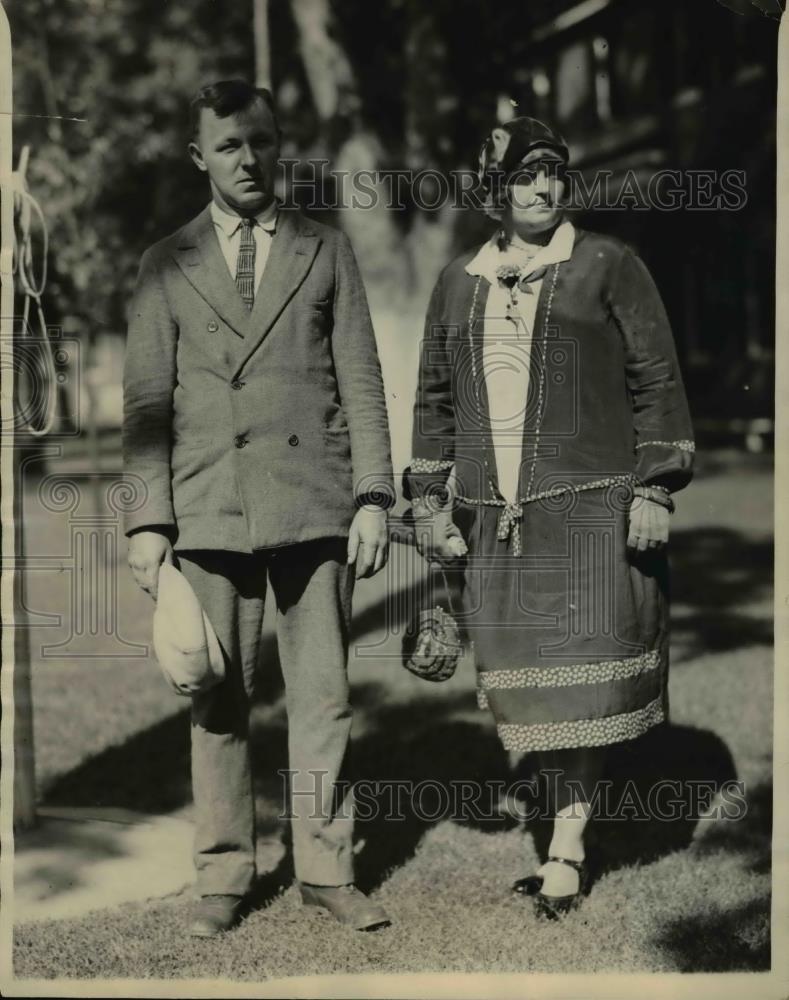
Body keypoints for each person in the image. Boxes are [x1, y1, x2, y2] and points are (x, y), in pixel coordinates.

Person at [123, 79, 395, 936]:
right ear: (199, 156)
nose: (250, 159)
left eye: (262, 141)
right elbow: (144, 407)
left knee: (322, 698)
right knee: (218, 698)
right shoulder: (165, 263)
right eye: (230, 145)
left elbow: (361, 381)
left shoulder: (324, 248)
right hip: (210, 511)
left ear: (281, 146)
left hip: (314, 505)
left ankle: (324, 869)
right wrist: (146, 522)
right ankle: (223, 876)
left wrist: (374, 496)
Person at [404, 116, 694, 919]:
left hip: (593, 513)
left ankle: (566, 844)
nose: (542, 189)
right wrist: (428, 501)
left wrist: (654, 485)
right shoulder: (459, 280)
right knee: (529, 695)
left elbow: (656, 379)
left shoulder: (608, 265)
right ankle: (562, 821)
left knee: (581, 693)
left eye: (553, 175)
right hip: (495, 520)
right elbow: (431, 400)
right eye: (525, 177)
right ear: (493, 190)